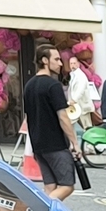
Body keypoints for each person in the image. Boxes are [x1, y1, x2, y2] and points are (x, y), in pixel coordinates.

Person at [21, 46, 75, 201]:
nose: (60, 63)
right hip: (55, 144)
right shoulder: (53, 85)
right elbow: (63, 116)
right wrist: (74, 143)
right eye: (56, 59)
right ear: (45, 60)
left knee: (50, 186)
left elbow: (28, 115)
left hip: (38, 145)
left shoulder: (29, 86)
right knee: (67, 185)